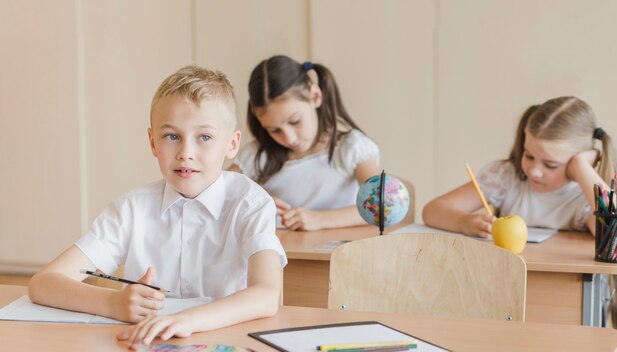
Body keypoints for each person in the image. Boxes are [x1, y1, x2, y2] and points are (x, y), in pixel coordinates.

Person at [28, 65, 287, 349]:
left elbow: (267, 295)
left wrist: (186, 320)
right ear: (153, 142)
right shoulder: (131, 209)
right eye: (172, 136)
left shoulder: (251, 203)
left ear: (232, 144)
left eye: (204, 137)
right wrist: (114, 303)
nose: (186, 153)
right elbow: (43, 283)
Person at [423, 96, 617, 237]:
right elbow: (433, 210)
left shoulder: (584, 198)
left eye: (551, 164)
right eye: (529, 155)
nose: (534, 171)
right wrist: (464, 222)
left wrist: (582, 168)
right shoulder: (507, 178)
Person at [228, 55, 380, 231]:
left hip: (340, 255)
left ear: (315, 96)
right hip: (284, 255)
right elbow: (213, 193)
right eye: (274, 130)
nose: (290, 138)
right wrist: (253, 203)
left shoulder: (351, 147)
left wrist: (321, 219)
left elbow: (380, 205)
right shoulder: (257, 156)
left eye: (295, 121)